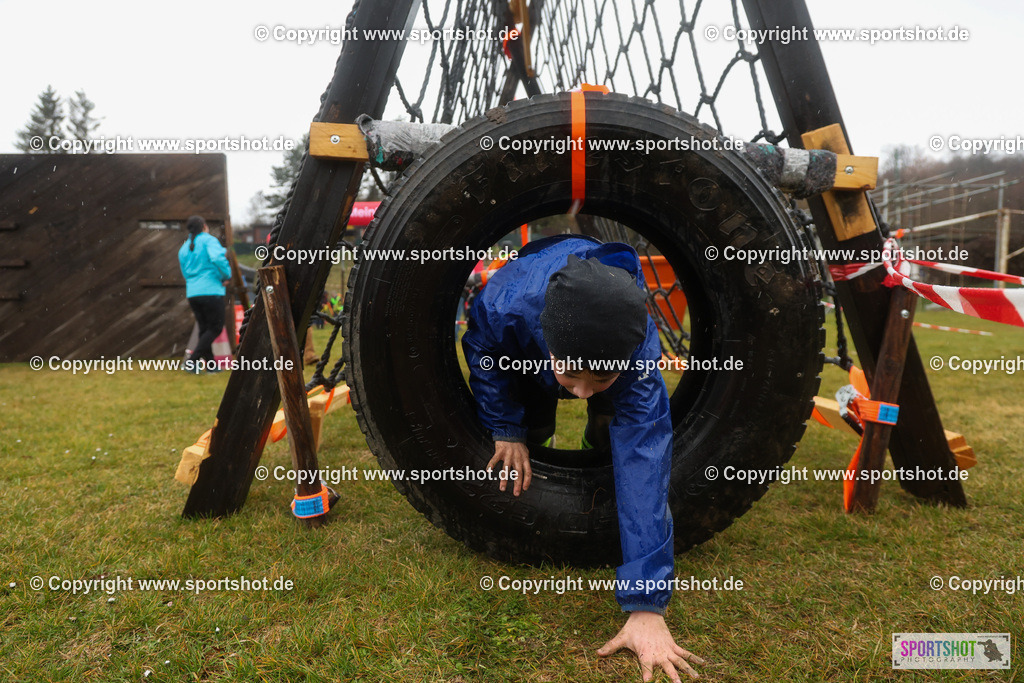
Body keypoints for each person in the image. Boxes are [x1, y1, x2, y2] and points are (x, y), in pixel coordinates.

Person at [461, 234, 705, 682]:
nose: (582, 391)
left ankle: (597, 461)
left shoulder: (637, 351)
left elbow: (645, 459)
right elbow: (484, 354)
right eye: (571, 375)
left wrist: (646, 604)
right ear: (551, 347)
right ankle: (536, 421)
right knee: (532, 427)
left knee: (611, 426)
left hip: (592, 342)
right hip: (525, 330)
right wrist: (506, 429)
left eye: (601, 377)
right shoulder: (505, 305)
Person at [178, 215, 231, 374]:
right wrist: (226, 275)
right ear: (204, 227)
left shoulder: (184, 248)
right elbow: (218, 258)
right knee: (215, 327)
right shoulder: (208, 240)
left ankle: (211, 365)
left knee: (204, 329)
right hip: (211, 289)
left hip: (193, 292)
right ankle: (192, 361)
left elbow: (185, 272)